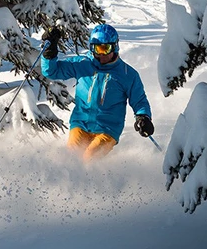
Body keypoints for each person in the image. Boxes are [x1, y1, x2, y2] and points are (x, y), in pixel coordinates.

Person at [40, 24, 154, 162]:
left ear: (115, 47)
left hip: (108, 129)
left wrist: (143, 116)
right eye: (97, 48)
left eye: (105, 49)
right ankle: (67, 182)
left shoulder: (127, 74)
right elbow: (51, 71)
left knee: (89, 158)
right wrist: (49, 54)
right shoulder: (82, 64)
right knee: (72, 159)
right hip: (81, 123)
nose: (101, 54)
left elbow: (139, 100)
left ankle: (92, 181)